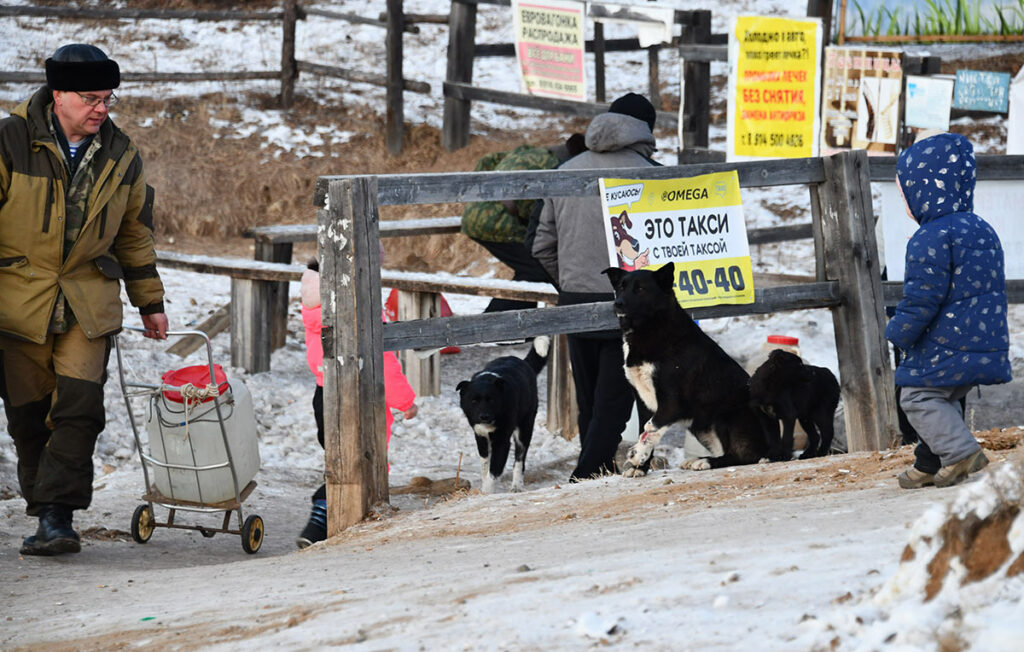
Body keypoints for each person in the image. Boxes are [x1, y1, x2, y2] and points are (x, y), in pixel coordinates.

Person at [0, 44, 167, 556]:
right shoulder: (9, 142)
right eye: (91, 98)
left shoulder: (121, 155)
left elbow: (134, 234)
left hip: (87, 298)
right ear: (59, 96)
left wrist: (150, 301)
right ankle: (44, 507)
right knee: (29, 416)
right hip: (17, 299)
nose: (102, 108)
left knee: (79, 408)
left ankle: (58, 517)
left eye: (108, 98)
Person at [531, 92, 659, 481]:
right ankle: (586, 475)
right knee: (618, 401)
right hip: (632, 304)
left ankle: (600, 468)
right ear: (645, 131)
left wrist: (571, 280)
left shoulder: (565, 170)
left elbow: (540, 245)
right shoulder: (652, 174)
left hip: (575, 300)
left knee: (590, 401)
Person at [885, 132, 1011, 489]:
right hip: (983, 336)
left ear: (924, 189)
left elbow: (923, 297)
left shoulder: (931, 236)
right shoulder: (982, 229)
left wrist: (898, 331)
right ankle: (928, 463)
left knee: (916, 395)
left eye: (906, 193)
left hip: (946, 339)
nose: (906, 203)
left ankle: (960, 452)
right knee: (943, 397)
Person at [296, 258, 417, 548]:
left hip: (324, 393)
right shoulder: (359, 308)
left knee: (339, 460)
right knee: (363, 460)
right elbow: (382, 363)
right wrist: (406, 401)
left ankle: (337, 513)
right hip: (360, 395)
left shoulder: (314, 306)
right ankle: (325, 513)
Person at [460, 134, 585, 312]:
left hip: (474, 213)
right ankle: (496, 321)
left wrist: (480, 196)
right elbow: (538, 209)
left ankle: (518, 324)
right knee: (538, 267)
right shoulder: (555, 167)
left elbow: (487, 160)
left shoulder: (529, 151)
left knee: (530, 268)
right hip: (497, 222)